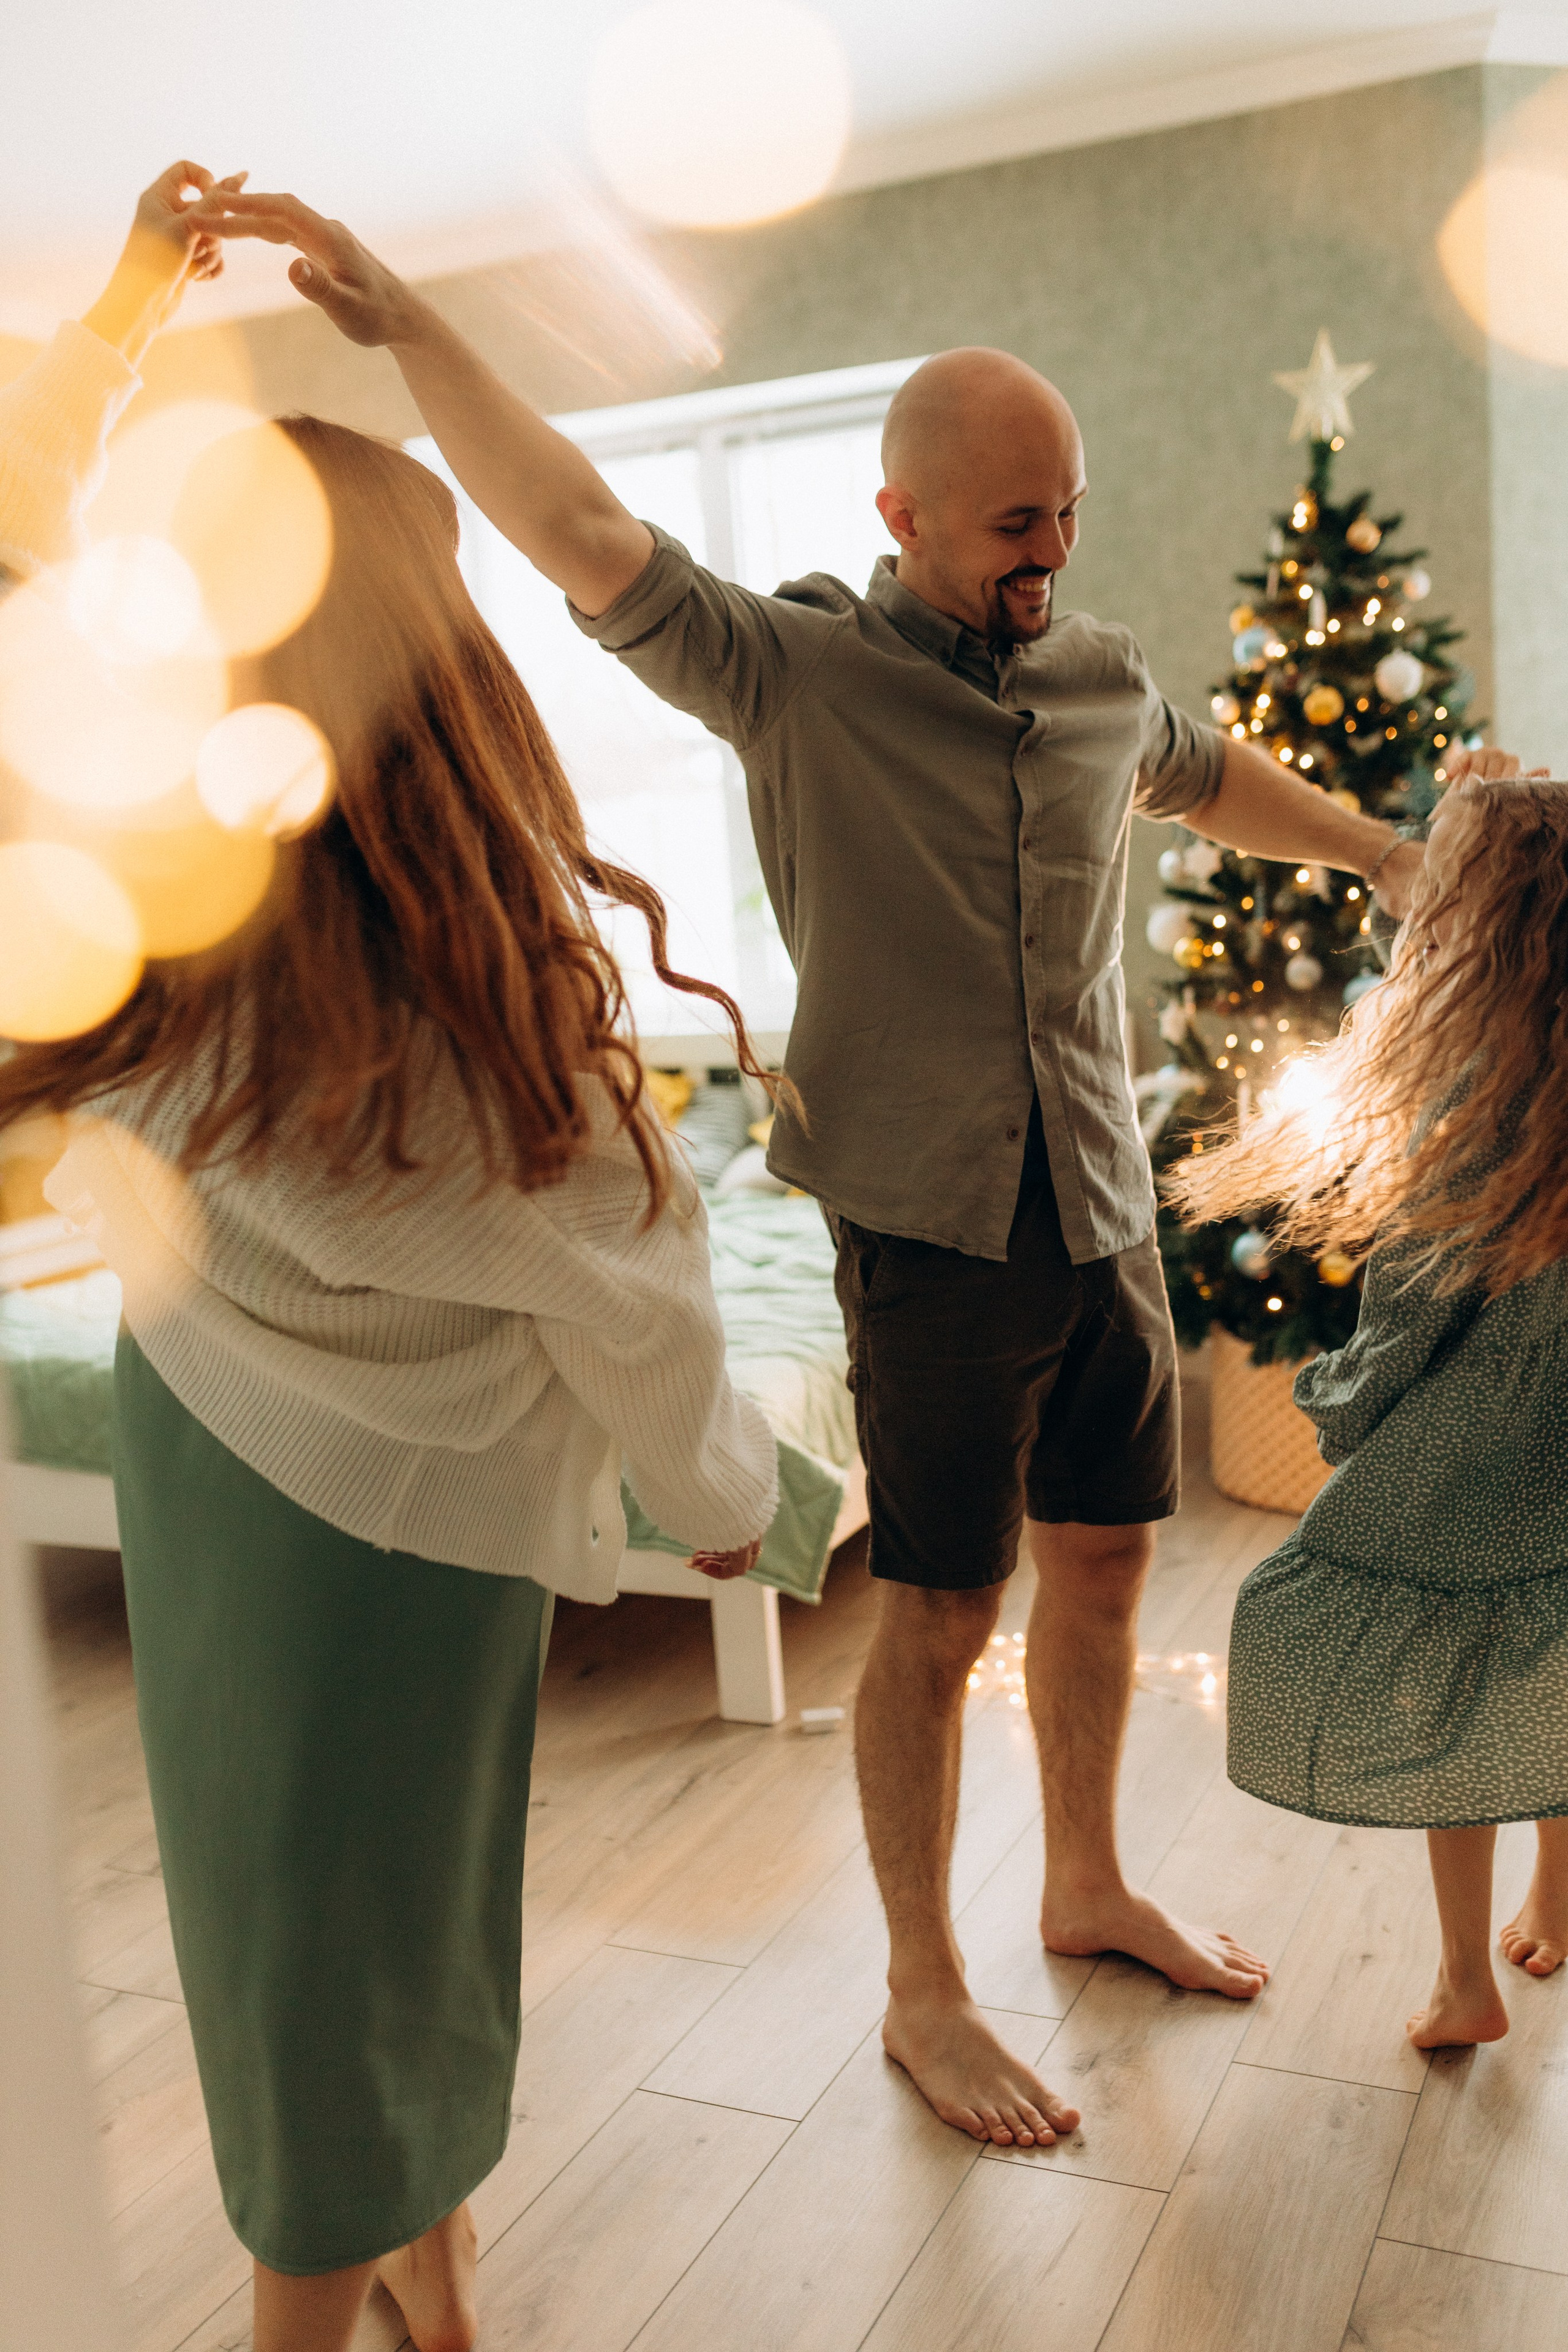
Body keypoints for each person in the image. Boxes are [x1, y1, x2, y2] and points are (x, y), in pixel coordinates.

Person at [192, 186, 1429, 2149]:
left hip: (1101, 1206)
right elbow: (581, 531)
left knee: (1107, 1560)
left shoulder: (1099, 680)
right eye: (1018, 522)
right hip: (928, 1233)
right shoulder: (792, 675)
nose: (1052, 552)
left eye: (1070, 514)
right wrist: (414, 328)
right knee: (941, 1615)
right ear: (906, 521)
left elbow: (1209, 771)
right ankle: (923, 1987)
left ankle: (1087, 1884)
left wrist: (1380, 854)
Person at [1, 172, 778, 2352]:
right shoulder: (477, 999)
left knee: (292, 1916)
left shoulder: (144, 916)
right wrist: (723, 1510)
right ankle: (341, 2292)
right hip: (414, 1531)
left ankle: (429, 2265)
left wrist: (134, 305)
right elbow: (636, 1290)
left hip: (206, 1451)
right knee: (382, 1933)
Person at [1170, 755, 1568, 2051]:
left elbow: (1410, 1303)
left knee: (1447, 1683)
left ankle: (1466, 1980)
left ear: (1470, 919)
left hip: (1469, 1451)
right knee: (1550, 1653)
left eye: (1430, 874)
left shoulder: (1466, 1095)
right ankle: (1554, 1900)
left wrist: (1345, 1402)